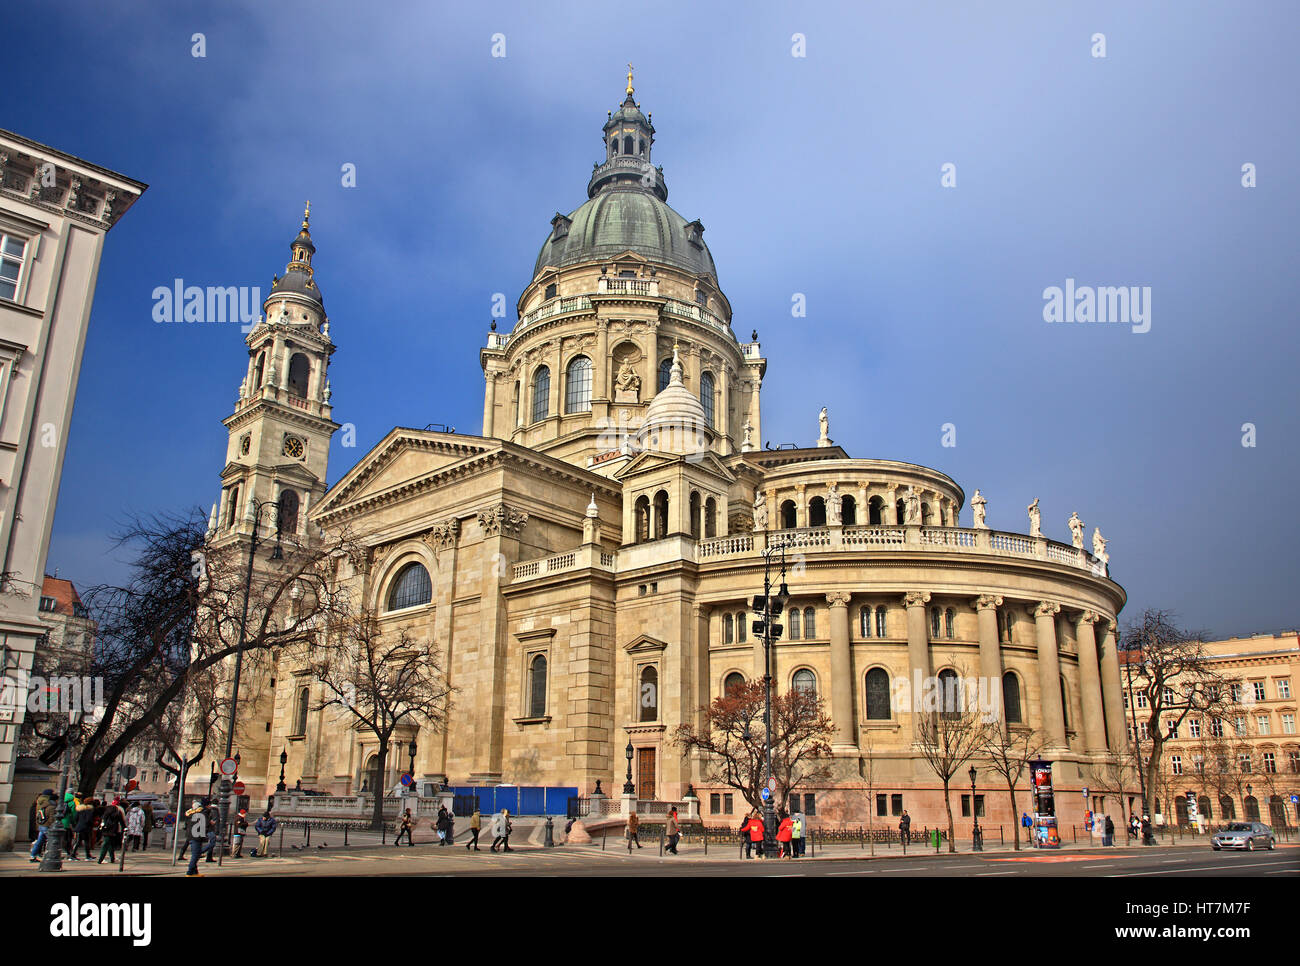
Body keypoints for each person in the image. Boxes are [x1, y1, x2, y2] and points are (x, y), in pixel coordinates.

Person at [28, 789, 55, 862]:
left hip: (41, 823)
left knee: (39, 841)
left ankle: (32, 855)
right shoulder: (49, 804)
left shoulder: (40, 801)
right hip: (46, 824)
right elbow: (51, 817)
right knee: (52, 840)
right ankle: (52, 855)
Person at [184, 798, 209, 877]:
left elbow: (186, 826)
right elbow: (204, 825)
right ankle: (190, 871)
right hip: (197, 836)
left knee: (195, 853)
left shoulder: (189, 814)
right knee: (196, 854)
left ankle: (195, 872)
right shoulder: (202, 814)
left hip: (190, 836)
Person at [98, 797, 126, 864]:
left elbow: (102, 818)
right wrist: (124, 828)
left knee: (108, 843)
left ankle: (111, 858)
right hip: (113, 829)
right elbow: (122, 821)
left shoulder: (106, 811)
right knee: (107, 844)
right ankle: (101, 859)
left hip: (105, 829)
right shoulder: (118, 811)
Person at [72, 795, 95, 860]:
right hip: (86, 828)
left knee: (78, 841)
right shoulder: (89, 810)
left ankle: (73, 854)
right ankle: (87, 855)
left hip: (79, 827)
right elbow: (89, 820)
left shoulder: (79, 810)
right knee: (86, 842)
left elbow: (75, 818)